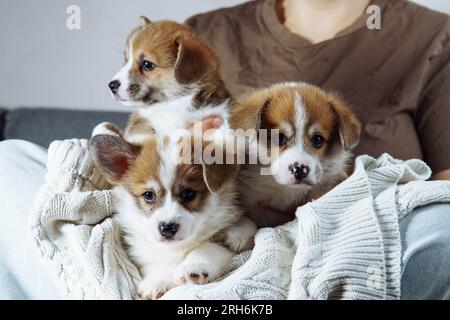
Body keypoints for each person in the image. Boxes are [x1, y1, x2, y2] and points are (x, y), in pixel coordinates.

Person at [0, 0, 449, 299]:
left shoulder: (431, 36)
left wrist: (360, 200)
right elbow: (149, 166)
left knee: (441, 218)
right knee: (8, 163)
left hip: (337, 238)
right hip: (193, 228)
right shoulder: (203, 32)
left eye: (315, 139)